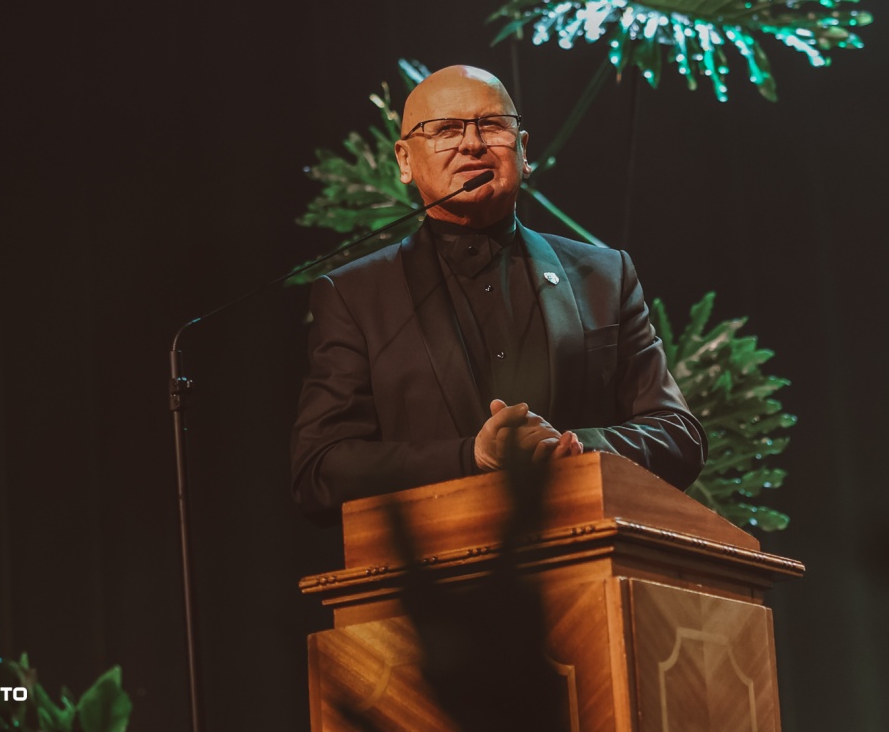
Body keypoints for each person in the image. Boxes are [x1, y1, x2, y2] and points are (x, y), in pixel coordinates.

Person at [291, 65, 705, 517]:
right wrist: (469, 458)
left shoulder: (603, 276)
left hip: (589, 542)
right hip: (439, 555)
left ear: (523, 151)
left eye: (491, 125)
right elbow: (320, 470)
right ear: (405, 161)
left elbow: (678, 434)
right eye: (446, 129)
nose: (473, 143)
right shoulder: (355, 295)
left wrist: (576, 449)